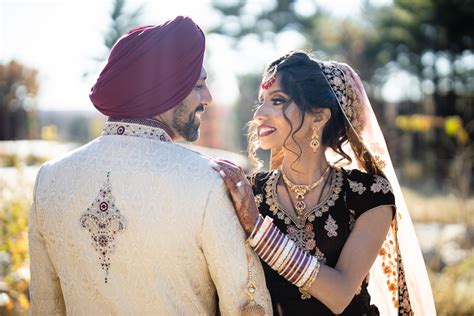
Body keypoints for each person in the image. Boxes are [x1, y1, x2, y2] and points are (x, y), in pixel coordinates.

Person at [28, 16, 271, 315]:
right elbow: (248, 305)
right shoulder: (207, 180)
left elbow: (44, 306)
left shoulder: (50, 179)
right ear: (165, 89)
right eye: (198, 84)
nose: (208, 97)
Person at [213, 51, 436, 315]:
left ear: (318, 117)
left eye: (277, 101)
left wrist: (259, 232)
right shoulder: (251, 193)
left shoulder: (368, 194)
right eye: (261, 102)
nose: (259, 113)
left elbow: (339, 294)